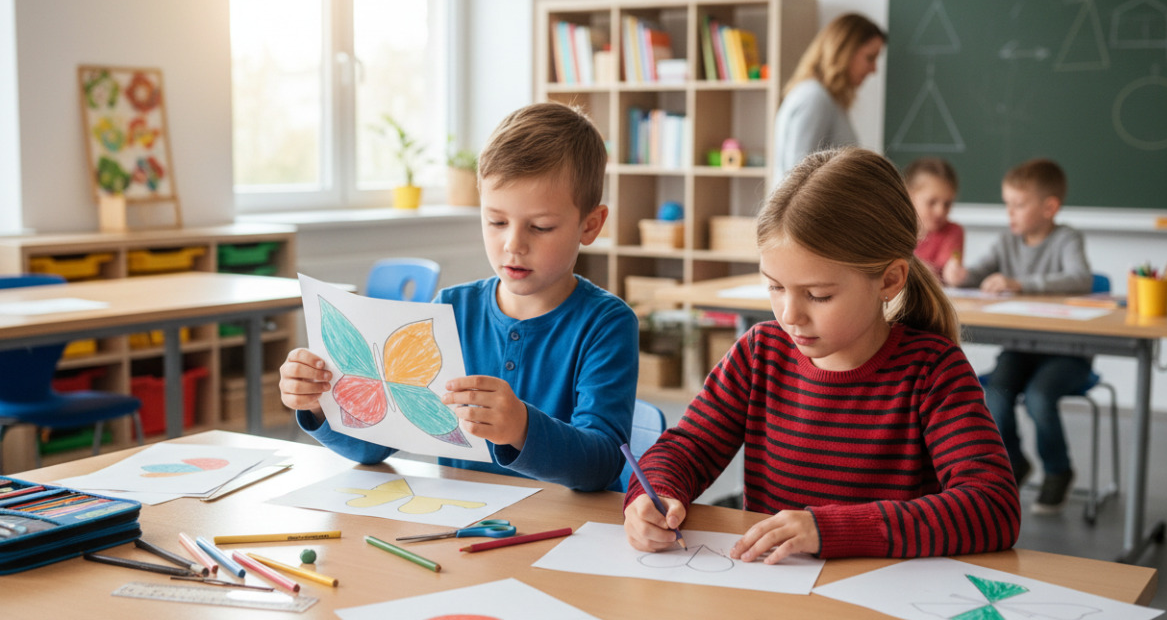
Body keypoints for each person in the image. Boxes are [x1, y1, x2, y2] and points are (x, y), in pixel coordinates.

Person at [624, 147, 1020, 561]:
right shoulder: (760, 353)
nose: (790, 314)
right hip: (772, 592)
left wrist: (830, 528)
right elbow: (688, 447)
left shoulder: (933, 372)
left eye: (818, 295)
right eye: (775, 287)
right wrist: (653, 494)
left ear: (889, 280)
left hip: (883, 604)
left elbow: (993, 507)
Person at [279, 102, 639, 492]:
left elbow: (602, 464)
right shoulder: (449, 310)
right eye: (496, 221)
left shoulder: (607, 324)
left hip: (568, 536)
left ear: (590, 225)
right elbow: (375, 446)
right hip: (462, 527)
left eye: (541, 226)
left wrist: (521, 428)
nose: (513, 244)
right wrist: (319, 405)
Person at [943, 158, 1093, 513]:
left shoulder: (1067, 239)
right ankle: (1015, 462)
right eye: (1007, 204)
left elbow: (1081, 279)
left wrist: (1021, 283)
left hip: (1066, 353)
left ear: (1049, 207)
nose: (1010, 213)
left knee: (1040, 398)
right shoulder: (1006, 242)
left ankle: (1058, 470)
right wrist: (959, 274)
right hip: (1021, 350)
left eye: (1018, 205)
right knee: (995, 393)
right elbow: (976, 275)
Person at [772, 13, 887, 187]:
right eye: (870, 58)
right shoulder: (814, 98)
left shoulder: (826, 99)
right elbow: (798, 181)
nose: (874, 69)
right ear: (844, 51)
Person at [904, 156, 964, 283]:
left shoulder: (954, 232)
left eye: (947, 204)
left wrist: (953, 272)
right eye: (932, 202)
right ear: (910, 196)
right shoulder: (896, 230)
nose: (940, 211)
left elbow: (947, 270)